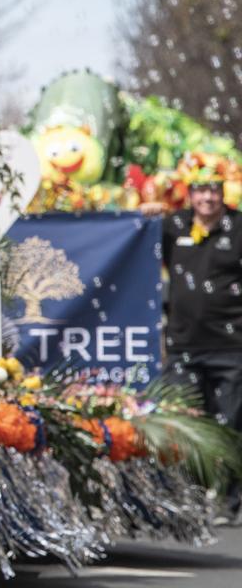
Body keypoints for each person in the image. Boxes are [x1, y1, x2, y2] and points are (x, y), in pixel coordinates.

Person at [155, 171, 242, 525]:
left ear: (224, 194)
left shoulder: (238, 227)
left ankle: (229, 500)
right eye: (201, 191)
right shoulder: (173, 225)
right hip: (183, 345)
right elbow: (136, 243)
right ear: (189, 195)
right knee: (184, 425)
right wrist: (143, 213)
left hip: (231, 347)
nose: (208, 199)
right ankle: (190, 498)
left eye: (214, 192)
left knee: (230, 424)